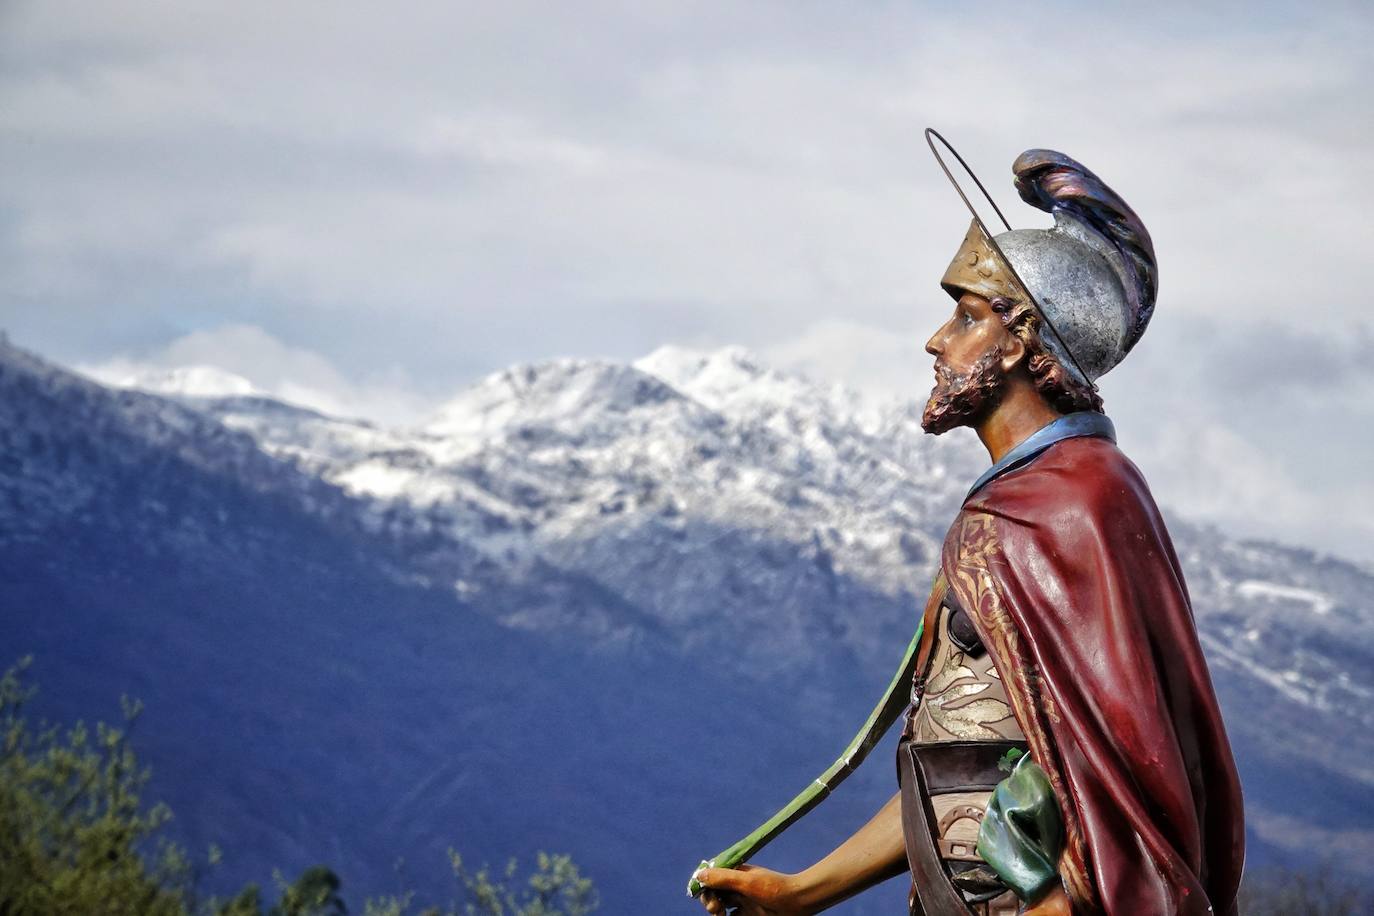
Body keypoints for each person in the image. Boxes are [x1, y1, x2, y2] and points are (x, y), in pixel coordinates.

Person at [693, 146, 1245, 915]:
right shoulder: (1010, 507)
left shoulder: (1083, 500)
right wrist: (799, 893)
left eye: (966, 316)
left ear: (1019, 342)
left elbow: (1121, 771)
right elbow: (963, 768)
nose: (935, 340)